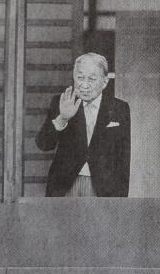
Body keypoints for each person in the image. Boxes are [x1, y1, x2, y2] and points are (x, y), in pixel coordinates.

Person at [36, 53, 130, 197]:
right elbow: (43, 144)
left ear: (105, 82)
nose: (85, 85)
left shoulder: (119, 108)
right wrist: (62, 118)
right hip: (64, 185)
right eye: (80, 78)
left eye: (91, 79)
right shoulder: (61, 102)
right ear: (74, 78)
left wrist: (120, 200)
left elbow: (123, 158)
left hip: (103, 187)